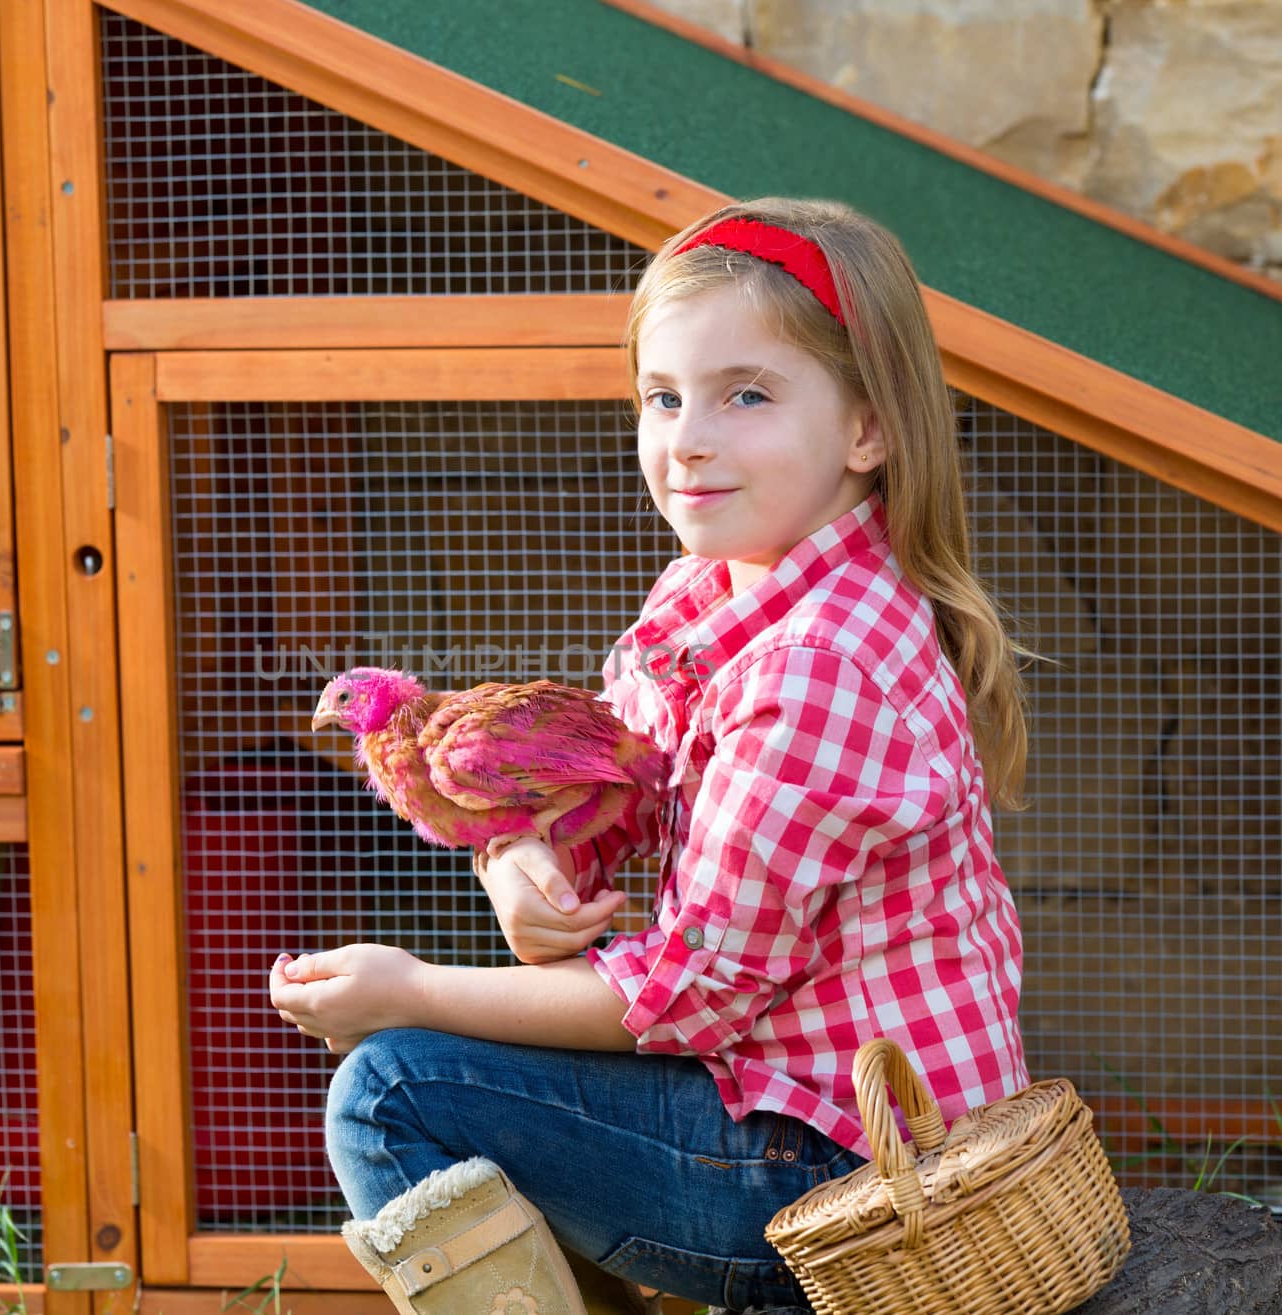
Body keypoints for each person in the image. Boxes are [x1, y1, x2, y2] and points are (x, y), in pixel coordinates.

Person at [270, 197, 1030, 1315]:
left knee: (392, 1088)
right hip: (758, 1097)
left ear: (867, 429)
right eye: (662, 397)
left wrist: (410, 992)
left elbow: (684, 995)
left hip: (854, 1169)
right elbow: (606, 810)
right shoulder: (707, 591)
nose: (689, 438)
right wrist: (518, 869)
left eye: (746, 396)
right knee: (442, 1071)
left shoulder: (818, 662)